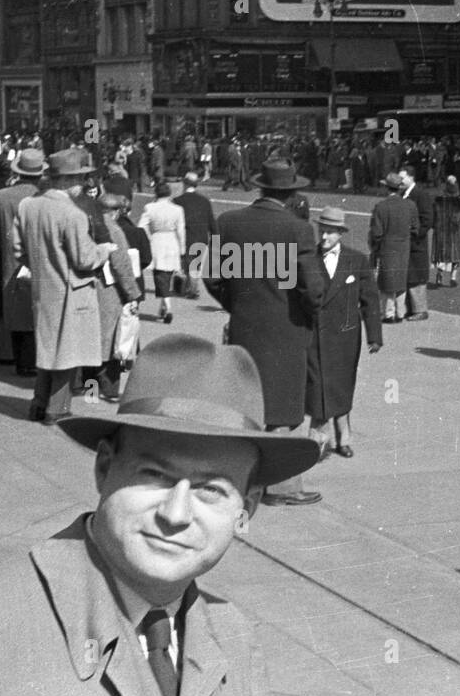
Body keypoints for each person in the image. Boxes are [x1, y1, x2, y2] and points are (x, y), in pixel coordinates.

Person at [0, 333, 319, 696]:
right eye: (155, 475)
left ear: (246, 511)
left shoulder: (231, 634)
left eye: (210, 490)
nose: (176, 515)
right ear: (104, 468)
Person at [205, 157, 325, 508]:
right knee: (285, 407)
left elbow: (211, 274)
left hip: (245, 325)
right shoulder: (298, 229)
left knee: (250, 401)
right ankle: (284, 487)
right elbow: (312, 288)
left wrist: (235, 303)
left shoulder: (228, 222)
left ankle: (244, 478)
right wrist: (310, 312)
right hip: (287, 327)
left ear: (260, 187)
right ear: (290, 194)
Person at [18, 148, 118, 424]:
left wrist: (41, 264)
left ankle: (37, 405)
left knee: (47, 350)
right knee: (66, 354)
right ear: (68, 180)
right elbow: (84, 258)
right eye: (81, 178)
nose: (85, 185)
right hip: (72, 291)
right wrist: (105, 250)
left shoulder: (28, 206)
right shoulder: (72, 214)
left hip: (41, 288)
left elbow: (18, 249)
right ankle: (57, 409)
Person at [305, 207, 382, 461]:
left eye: (330, 233)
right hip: (314, 335)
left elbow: (370, 299)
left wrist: (374, 335)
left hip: (345, 338)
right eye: (321, 231)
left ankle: (343, 439)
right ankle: (315, 442)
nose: (324, 237)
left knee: (341, 387)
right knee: (317, 389)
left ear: (340, 234)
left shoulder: (357, 260)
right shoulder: (307, 259)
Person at [0, 148, 45, 376]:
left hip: (9, 259)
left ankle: (10, 355)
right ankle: (34, 360)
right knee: (38, 311)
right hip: (40, 261)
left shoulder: (0, 197)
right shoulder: (45, 197)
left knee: (13, 309)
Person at [90, 193, 140, 401]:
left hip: (89, 287)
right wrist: (133, 294)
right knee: (112, 340)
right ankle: (109, 390)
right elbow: (121, 264)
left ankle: (87, 388)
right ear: (117, 211)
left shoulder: (87, 224)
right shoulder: (114, 230)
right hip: (109, 290)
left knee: (92, 337)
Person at [369, 173, 417, 323]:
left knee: (386, 280)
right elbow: (415, 228)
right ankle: (401, 311)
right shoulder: (410, 205)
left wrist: (374, 247)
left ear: (386, 188)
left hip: (387, 246)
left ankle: (388, 313)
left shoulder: (381, 207)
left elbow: (376, 233)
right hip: (404, 246)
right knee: (401, 279)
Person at [138, 181, 186, 324]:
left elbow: (141, 225)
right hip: (172, 242)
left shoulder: (150, 208)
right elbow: (181, 230)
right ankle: (164, 306)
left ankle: (167, 307)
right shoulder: (177, 209)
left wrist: (148, 236)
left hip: (157, 240)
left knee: (160, 277)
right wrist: (182, 248)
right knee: (167, 277)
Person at [172, 172, 215, 300]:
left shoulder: (178, 201)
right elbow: (211, 220)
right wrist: (215, 235)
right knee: (195, 263)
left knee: (187, 263)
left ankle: (191, 288)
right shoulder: (205, 201)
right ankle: (191, 287)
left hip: (186, 236)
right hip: (201, 236)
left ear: (185, 184)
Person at [399, 165, 433, 321]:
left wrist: (415, 235)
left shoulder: (420, 194)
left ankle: (420, 310)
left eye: (402, 177)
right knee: (409, 275)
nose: (400, 180)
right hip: (407, 243)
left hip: (416, 243)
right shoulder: (404, 193)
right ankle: (412, 309)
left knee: (416, 277)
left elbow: (427, 220)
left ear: (411, 177)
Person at [431, 175, 460, 287]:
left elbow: (433, 216)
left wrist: (435, 225)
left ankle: (439, 275)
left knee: (441, 254)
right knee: (455, 254)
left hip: (441, 230)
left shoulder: (438, 200)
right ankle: (453, 276)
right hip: (455, 231)